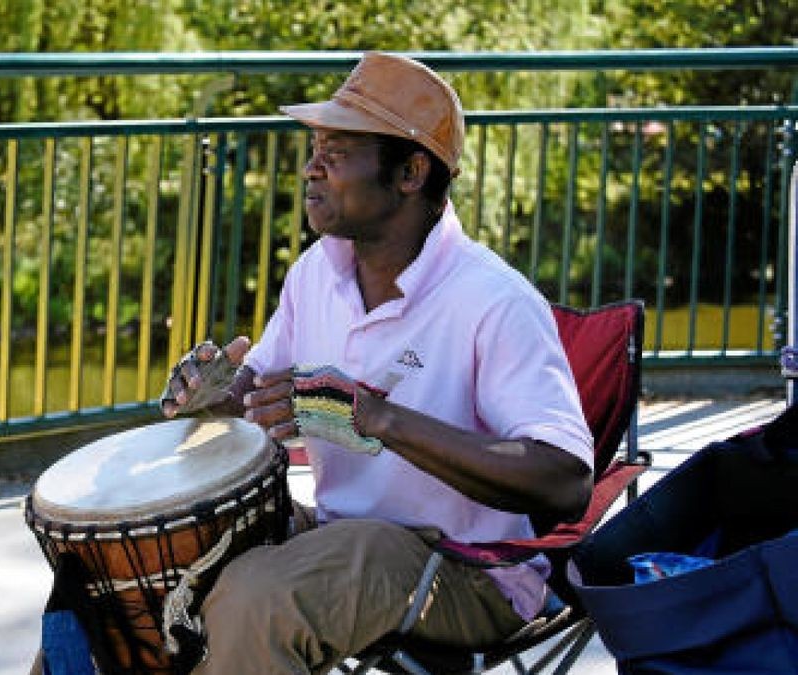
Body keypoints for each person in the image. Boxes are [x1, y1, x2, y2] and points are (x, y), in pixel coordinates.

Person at [159, 52, 594, 674]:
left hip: (471, 569)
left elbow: (565, 479)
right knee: (146, 569)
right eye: (313, 150)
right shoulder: (317, 272)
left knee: (257, 597)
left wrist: (380, 419)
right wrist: (213, 398)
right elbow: (257, 395)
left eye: (335, 152)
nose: (310, 170)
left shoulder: (494, 301)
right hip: (339, 536)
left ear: (411, 172)